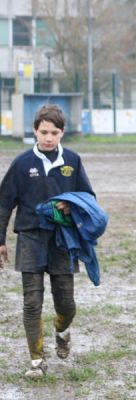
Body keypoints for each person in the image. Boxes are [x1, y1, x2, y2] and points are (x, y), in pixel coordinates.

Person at [0, 104, 95, 378]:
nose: (49, 138)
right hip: (30, 237)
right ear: (35, 131)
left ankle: (62, 331)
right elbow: (4, 203)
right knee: (32, 303)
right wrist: (1, 240)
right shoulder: (21, 163)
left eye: (54, 132)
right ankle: (36, 362)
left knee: (66, 304)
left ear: (62, 133)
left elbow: (89, 198)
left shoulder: (73, 161)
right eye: (44, 132)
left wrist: (71, 205)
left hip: (62, 241)